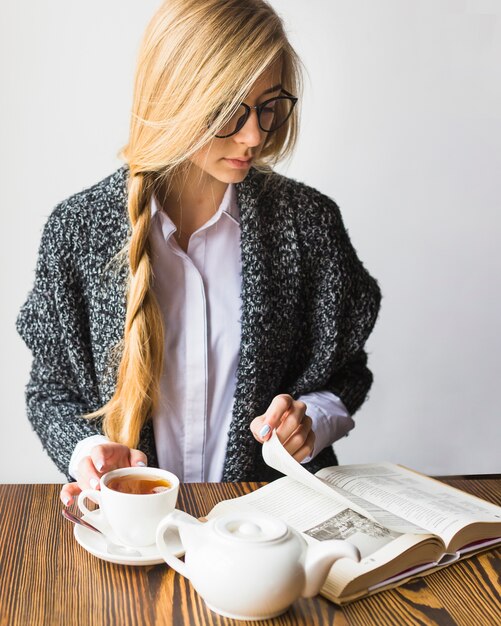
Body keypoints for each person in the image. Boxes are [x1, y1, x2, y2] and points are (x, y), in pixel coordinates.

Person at [16, 0, 381, 508]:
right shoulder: (77, 231)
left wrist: (309, 422)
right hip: (130, 534)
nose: (254, 135)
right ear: (174, 97)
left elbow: (348, 372)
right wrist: (89, 453)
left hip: (275, 535)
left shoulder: (308, 225)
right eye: (229, 110)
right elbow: (49, 392)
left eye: (269, 105)